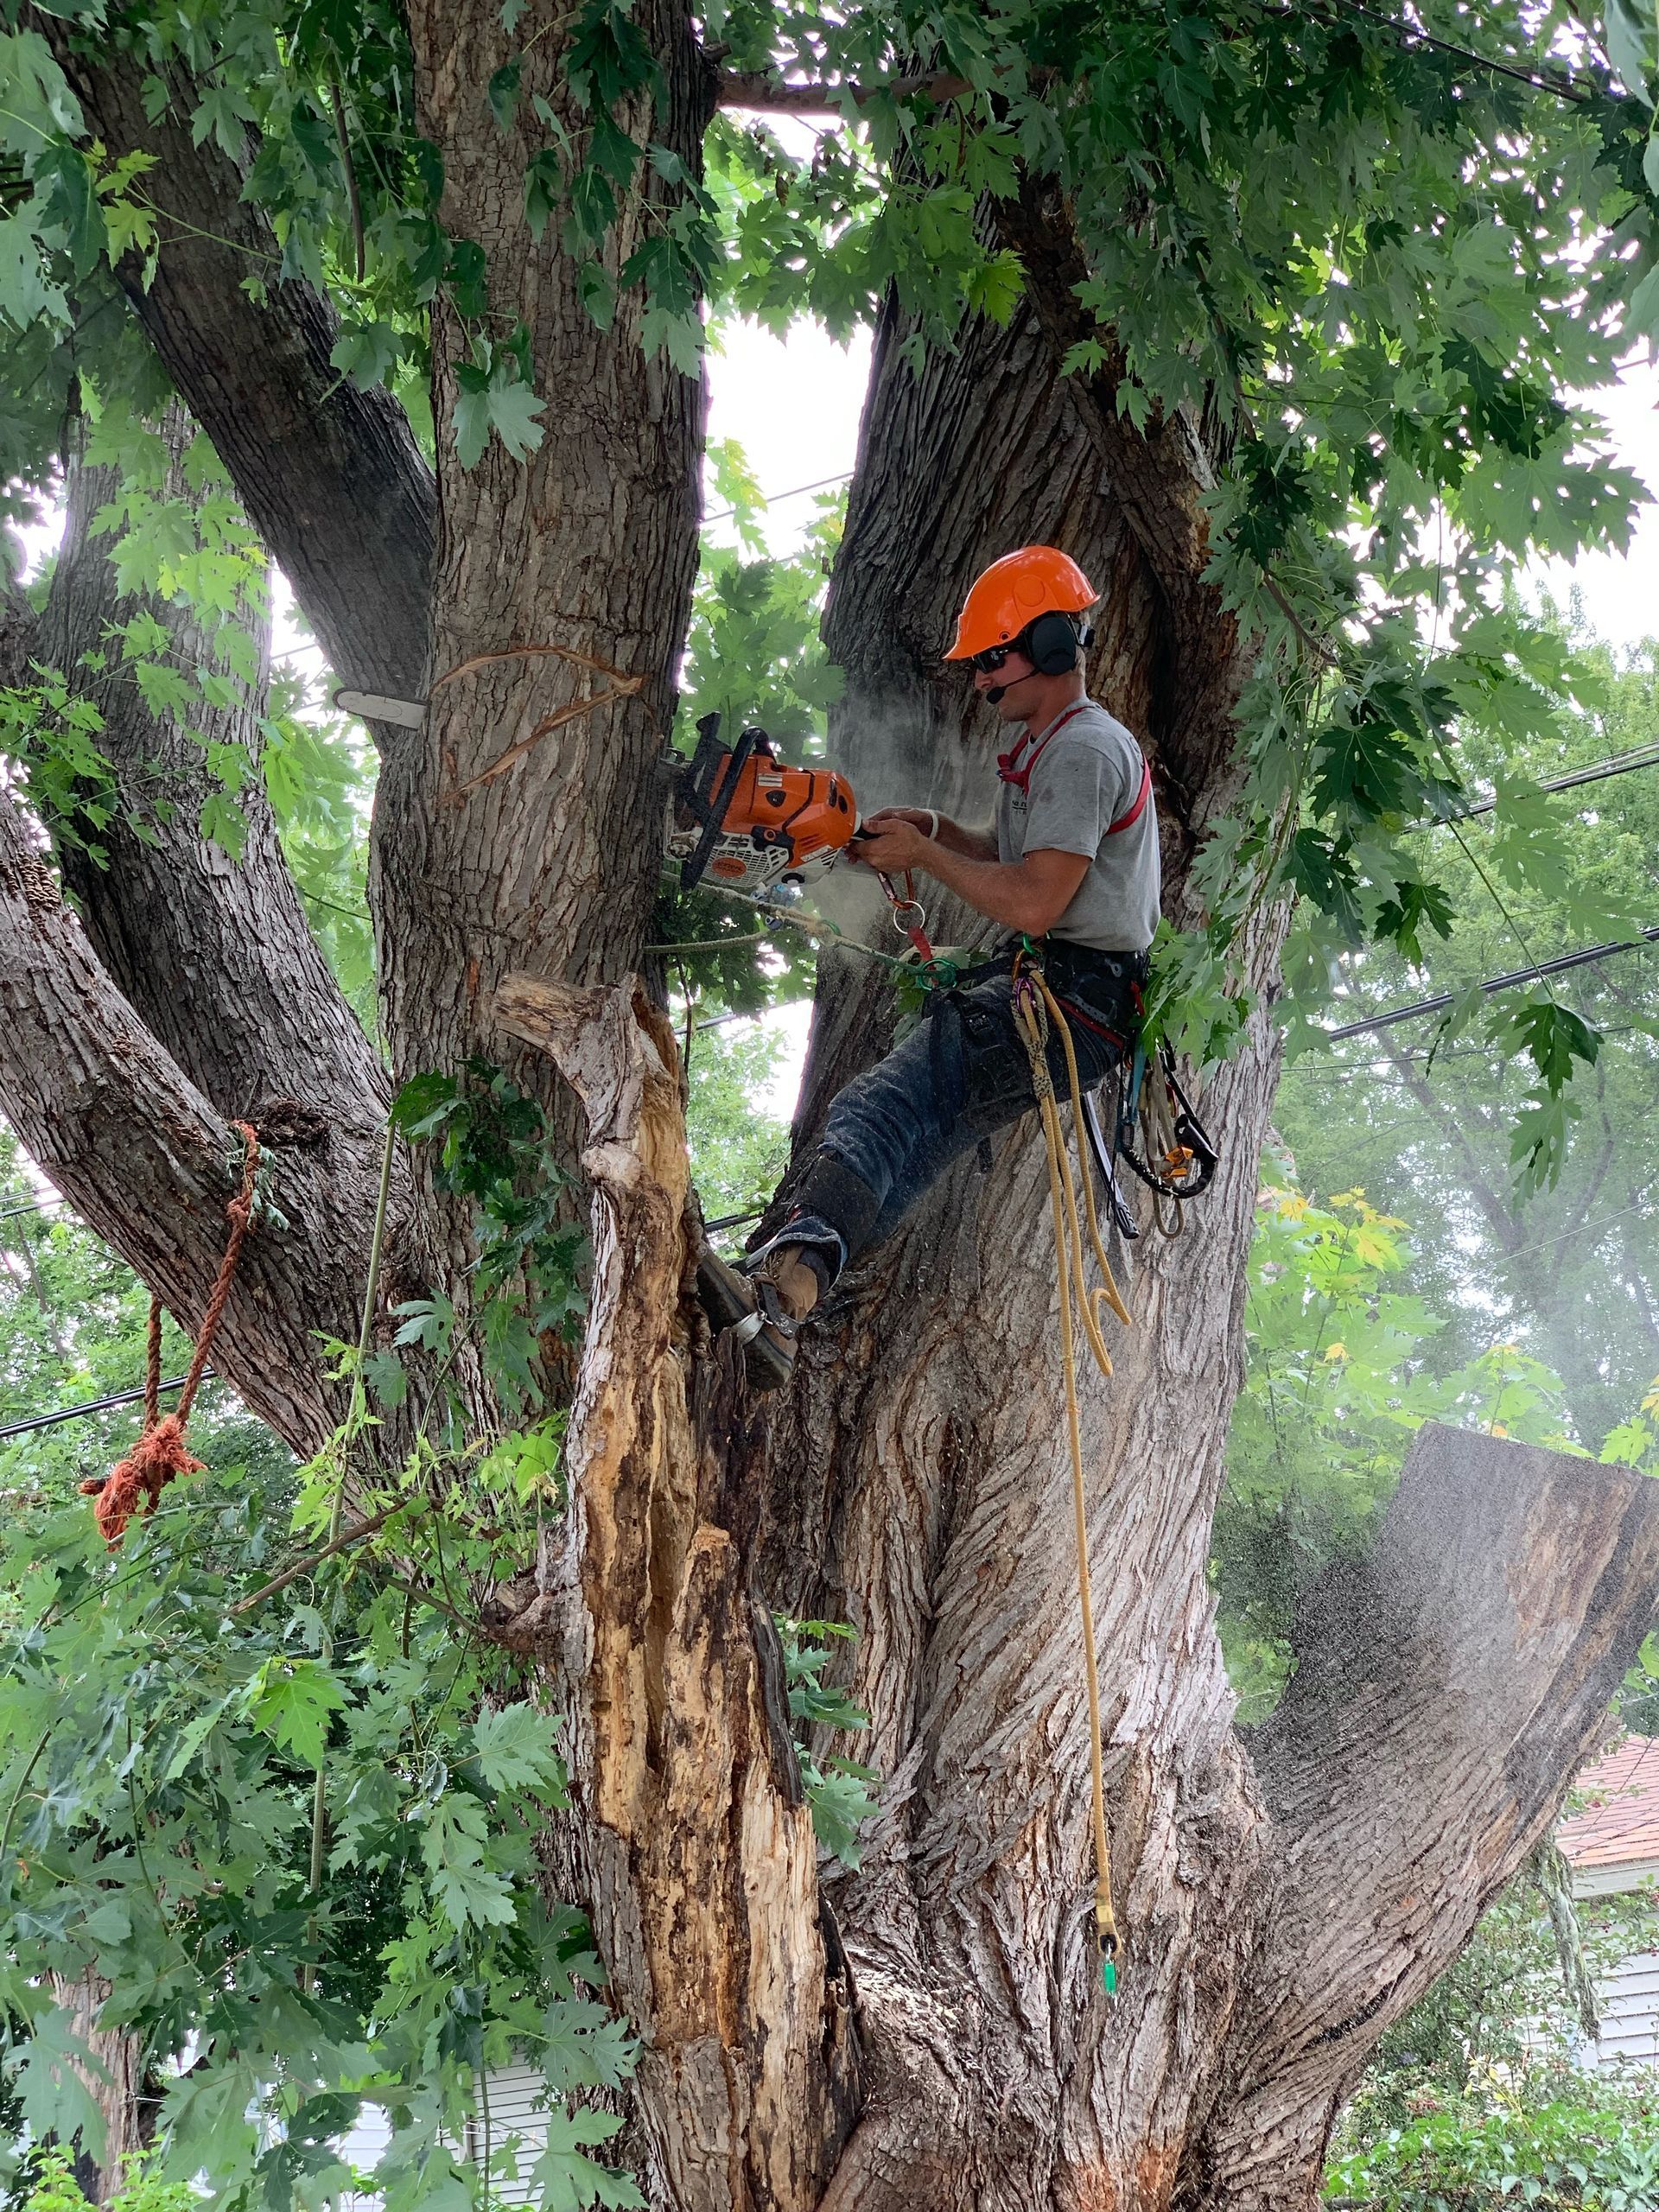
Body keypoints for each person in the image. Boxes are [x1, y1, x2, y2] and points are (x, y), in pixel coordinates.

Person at [696, 544, 1161, 1389]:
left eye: (994, 660)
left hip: (1073, 993)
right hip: (1076, 1001)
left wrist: (924, 856)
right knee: (910, 1144)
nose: (982, 683)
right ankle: (787, 1304)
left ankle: (785, 1284)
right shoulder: (1049, 744)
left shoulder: (1086, 750)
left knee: (881, 1104)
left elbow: (1032, 902)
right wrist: (936, 830)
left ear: (1055, 645)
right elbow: (1021, 854)